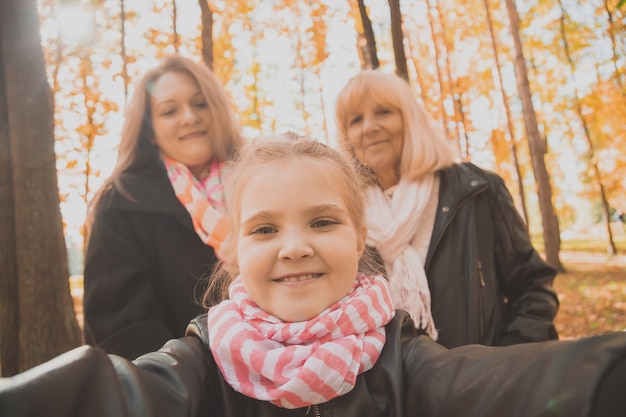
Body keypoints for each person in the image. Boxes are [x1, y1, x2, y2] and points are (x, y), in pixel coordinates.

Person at [0, 135, 624, 417]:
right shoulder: (202, 360)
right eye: (265, 229)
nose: (294, 247)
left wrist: (600, 380)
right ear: (234, 252)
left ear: (360, 240)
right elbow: (116, 394)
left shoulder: (404, 358)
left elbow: (494, 385)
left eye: (322, 222)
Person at [335, 70, 559, 348]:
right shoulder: (344, 214)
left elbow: (532, 287)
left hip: (477, 382)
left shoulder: (476, 190)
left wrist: (504, 362)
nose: (368, 127)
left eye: (383, 112)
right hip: (391, 388)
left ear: (410, 120)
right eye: (355, 120)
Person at [82, 54, 245, 359]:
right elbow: (123, 331)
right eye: (169, 111)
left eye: (200, 104)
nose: (189, 117)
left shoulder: (262, 179)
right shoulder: (122, 203)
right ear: (149, 130)